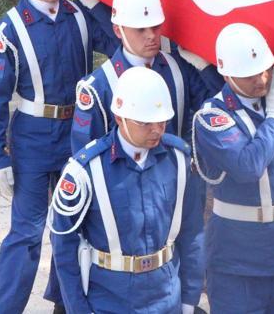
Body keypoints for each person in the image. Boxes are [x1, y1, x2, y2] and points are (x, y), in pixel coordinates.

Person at [0, 0, 116, 313]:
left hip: (79, 133)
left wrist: (95, 4)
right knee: (26, 233)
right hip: (33, 138)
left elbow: (121, 46)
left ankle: (65, 304)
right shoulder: (9, 31)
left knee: (75, 227)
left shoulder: (80, 16)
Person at [192, 23, 274, 314]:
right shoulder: (213, 116)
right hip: (238, 259)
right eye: (250, 74)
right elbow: (247, 167)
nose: (262, 79)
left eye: (265, 70)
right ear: (226, 74)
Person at [49, 67, 205, 313]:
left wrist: (189, 299)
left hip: (167, 298)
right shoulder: (86, 171)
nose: (157, 130)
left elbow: (192, 232)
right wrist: (77, 309)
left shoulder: (179, 160)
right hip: (110, 302)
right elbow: (63, 245)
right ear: (119, 117)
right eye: (145, 123)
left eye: (162, 121)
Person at [71, 0, 219, 153]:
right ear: (118, 31)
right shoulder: (98, 86)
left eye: (155, 27)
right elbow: (87, 154)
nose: (151, 36)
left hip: (175, 168)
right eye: (140, 29)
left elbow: (218, 108)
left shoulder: (179, 68)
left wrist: (205, 69)